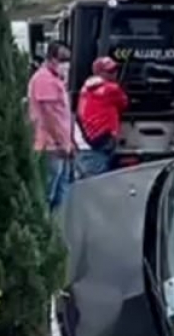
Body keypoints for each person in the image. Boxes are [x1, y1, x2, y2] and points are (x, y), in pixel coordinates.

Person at [27, 40, 74, 210]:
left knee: (61, 192)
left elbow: (62, 116)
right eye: (62, 59)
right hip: (50, 146)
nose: (65, 64)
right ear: (51, 58)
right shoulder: (44, 79)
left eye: (68, 59)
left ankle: (55, 230)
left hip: (60, 145)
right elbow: (49, 116)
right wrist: (60, 142)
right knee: (48, 194)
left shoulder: (56, 79)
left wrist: (69, 142)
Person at [75, 56, 129, 178]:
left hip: (86, 138)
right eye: (110, 71)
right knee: (99, 179)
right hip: (102, 139)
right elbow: (124, 103)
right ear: (100, 73)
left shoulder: (85, 88)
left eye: (115, 70)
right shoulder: (111, 89)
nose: (115, 74)